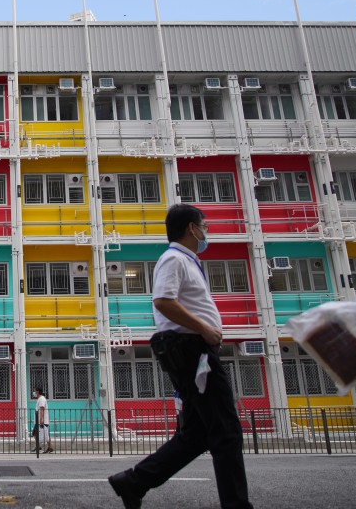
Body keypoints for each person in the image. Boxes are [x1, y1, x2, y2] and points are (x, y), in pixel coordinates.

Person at [108, 204, 253, 509]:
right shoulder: (174, 259)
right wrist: (205, 329)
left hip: (194, 348)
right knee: (226, 431)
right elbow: (163, 301)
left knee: (197, 434)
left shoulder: (187, 260)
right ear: (191, 228)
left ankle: (133, 482)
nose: (206, 231)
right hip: (193, 350)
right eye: (205, 226)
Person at [31, 385, 53, 453]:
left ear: (37, 391)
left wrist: (41, 419)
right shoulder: (39, 399)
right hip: (39, 421)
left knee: (44, 434)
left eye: (34, 391)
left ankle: (47, 447)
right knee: (36, 433)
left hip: (41, 421)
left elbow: (42, 409)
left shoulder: (42, 399)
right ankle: (44, 447)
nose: (34, 392)